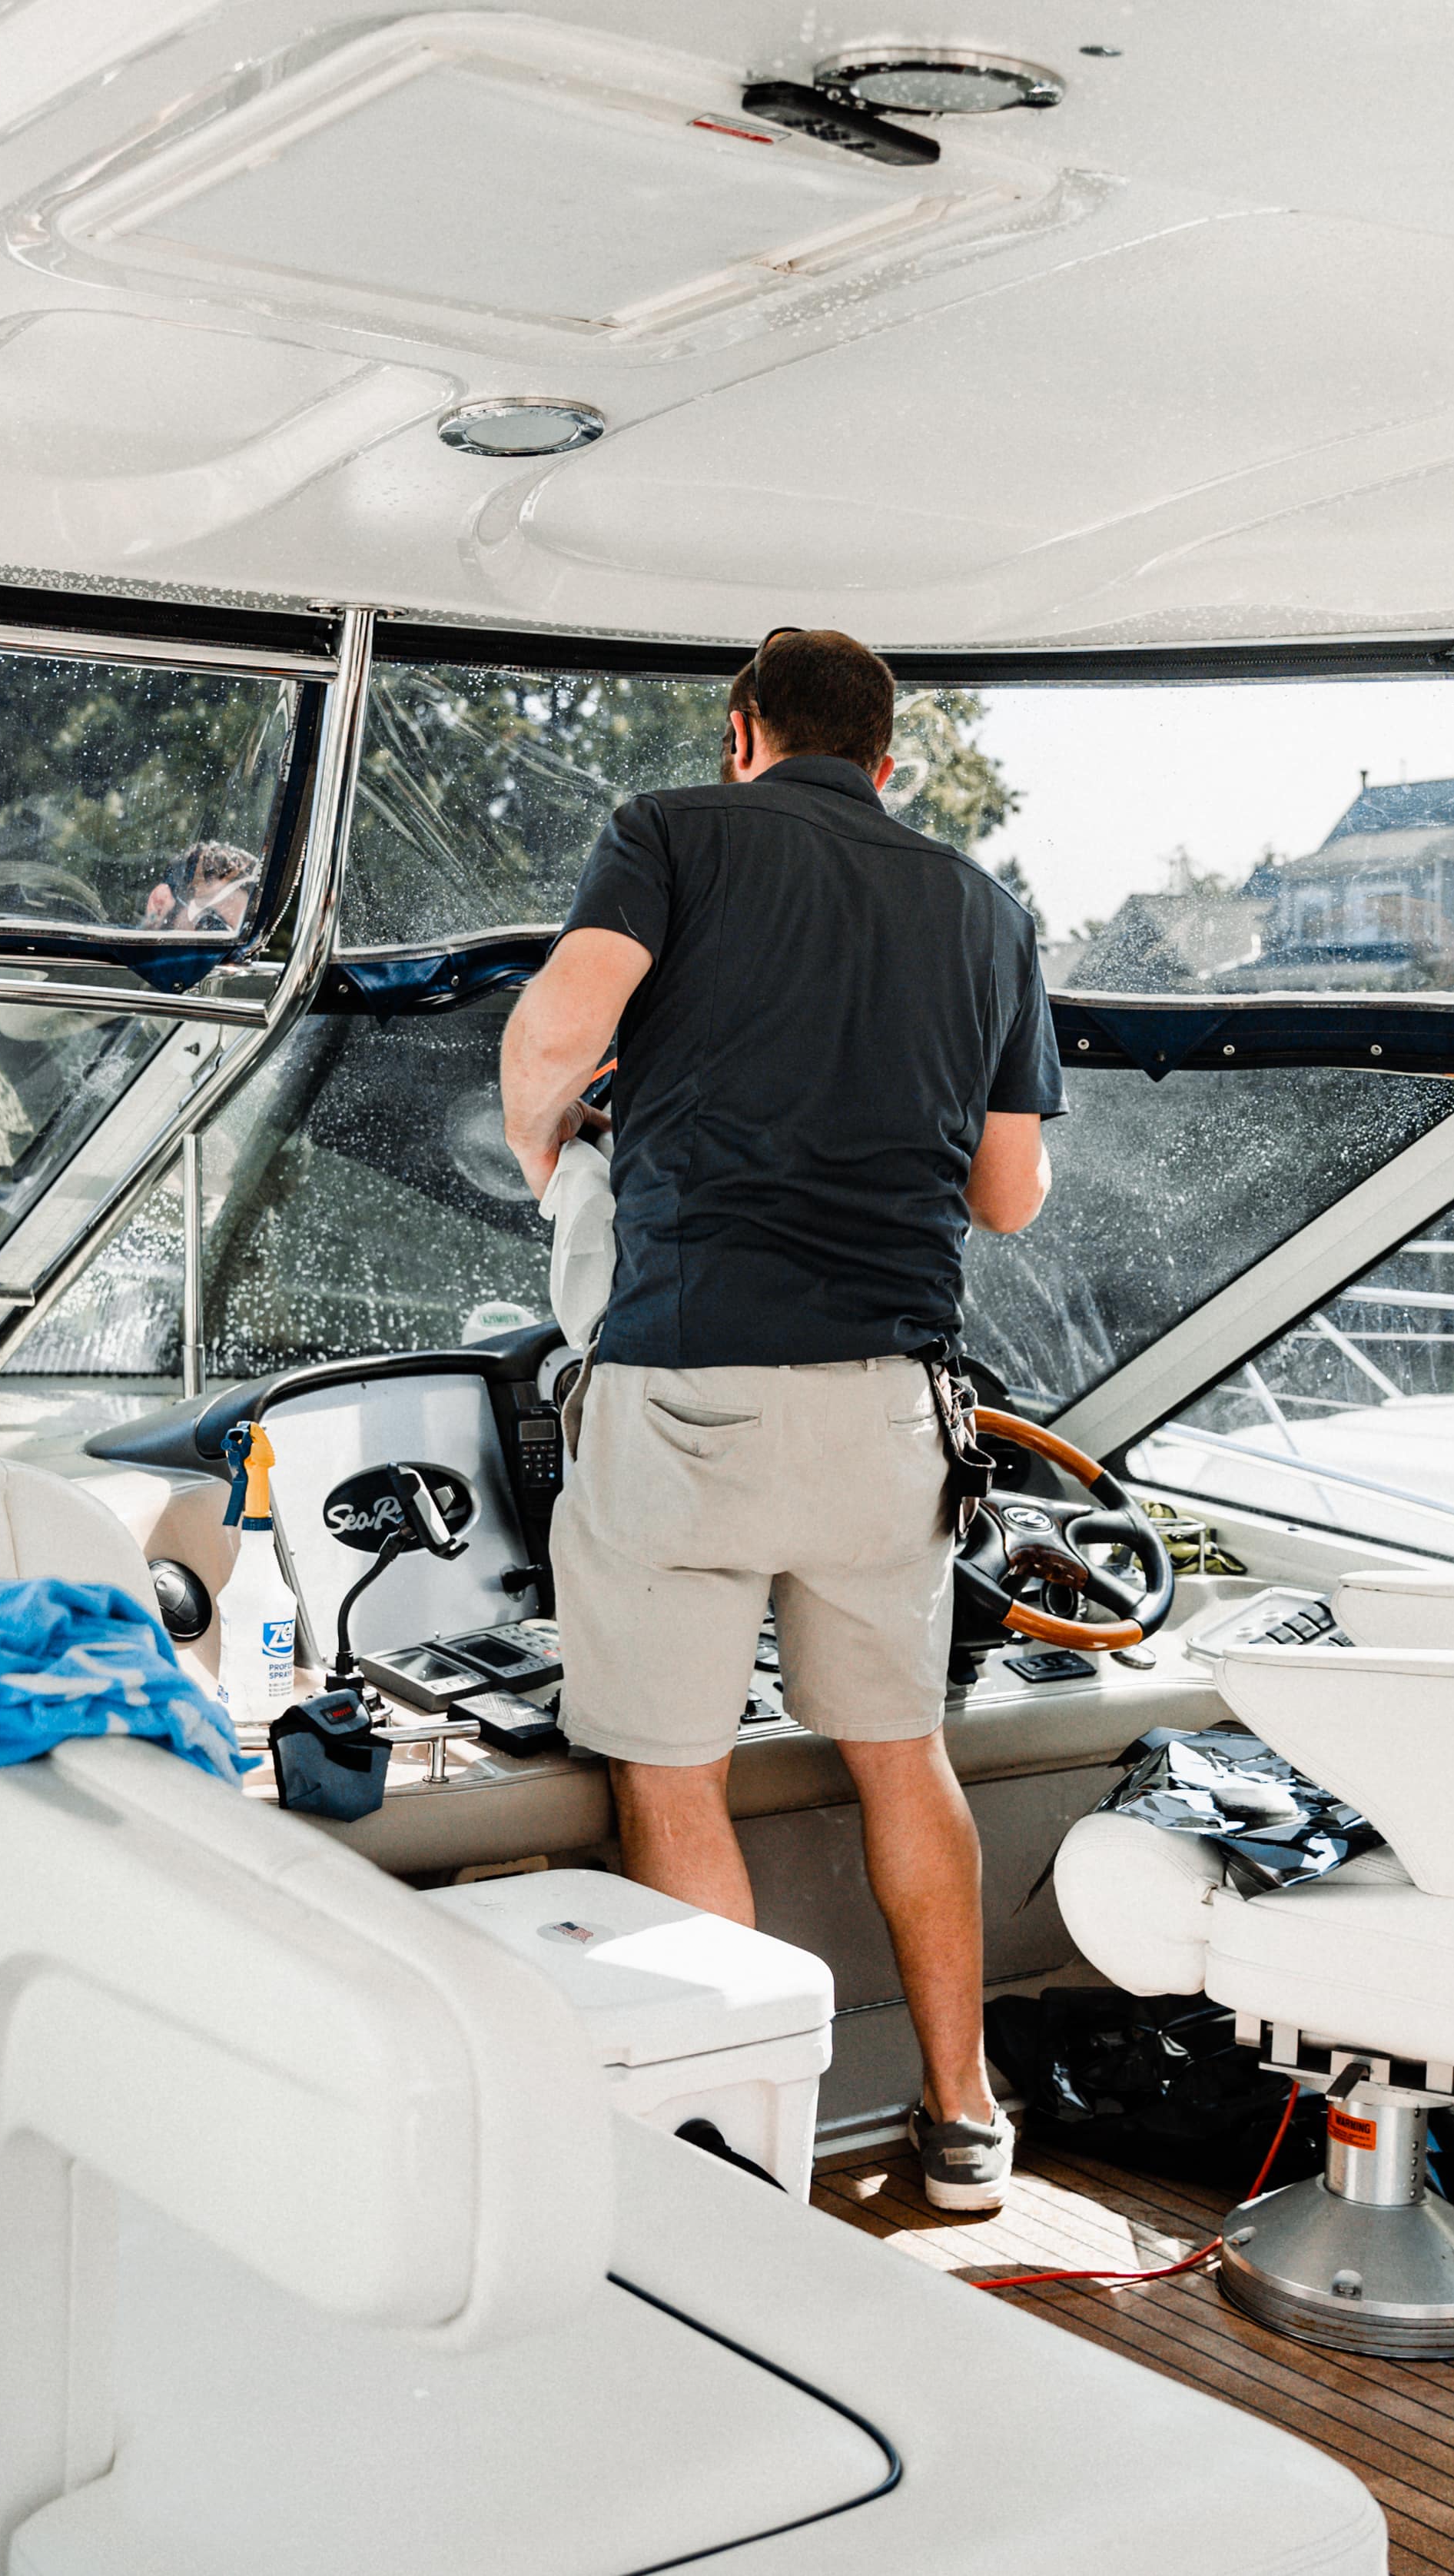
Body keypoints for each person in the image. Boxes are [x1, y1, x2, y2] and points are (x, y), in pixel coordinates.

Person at [499, 627, 1060, 2213]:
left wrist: (550, 1152)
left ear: (743, 733)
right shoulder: (986, 908)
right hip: (891, 1411)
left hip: (691, 1394)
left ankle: (743, 2158)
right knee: (903, 1757)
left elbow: (555, 1030)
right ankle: (962, 2117)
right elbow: (1010, 1196)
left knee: (675, 1772)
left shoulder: (672, 832)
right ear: (886, 759)